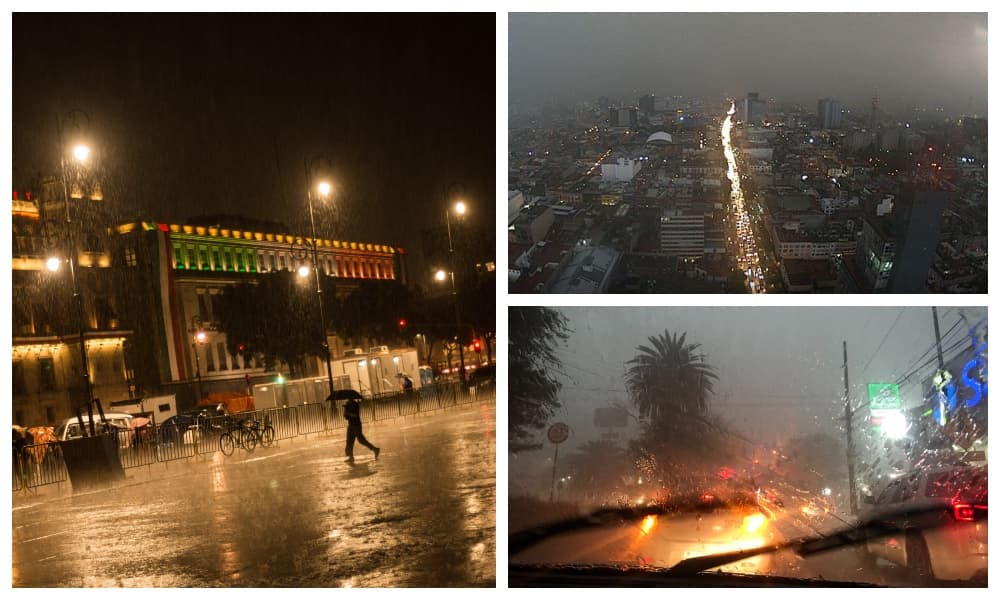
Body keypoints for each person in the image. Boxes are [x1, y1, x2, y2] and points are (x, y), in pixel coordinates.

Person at [343, 395, 379, 464]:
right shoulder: (347, 405)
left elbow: (356, 415)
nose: (348, 399)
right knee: (349, 441)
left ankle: (375, 449)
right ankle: (351, 457)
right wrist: (345, 410)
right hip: (350, 425)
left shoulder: (355, 404)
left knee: (361, 440)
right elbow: (346, 417)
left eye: (349, 398)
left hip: (356, 425)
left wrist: (348, 413)